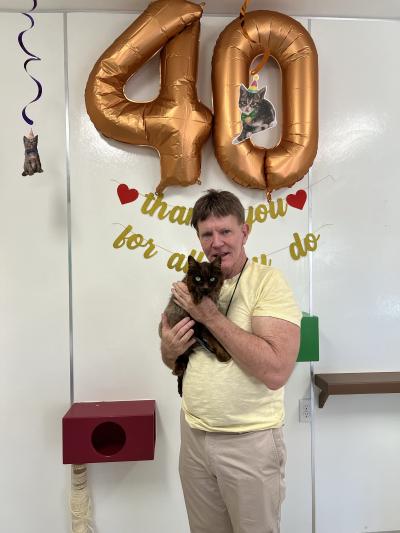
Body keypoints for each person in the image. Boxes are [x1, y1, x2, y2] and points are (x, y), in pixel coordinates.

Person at [160, 189, 301, 533]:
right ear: (198, 237)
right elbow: (169, 357)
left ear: (245, 232)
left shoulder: (267, 282)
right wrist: (169, 348)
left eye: (225, 231)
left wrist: (207, 315)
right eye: (207, 234)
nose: (217, 242)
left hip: (248, 442)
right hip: (194, 436)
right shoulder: (188, 285)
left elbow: (276, 370)